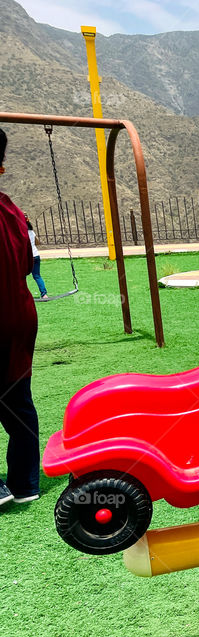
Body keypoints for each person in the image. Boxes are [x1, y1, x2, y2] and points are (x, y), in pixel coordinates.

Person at [0, 128, 41, 507]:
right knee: (16, 398)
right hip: (18, 314)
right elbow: (28, 263)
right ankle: (26, 484)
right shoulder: (12, 210)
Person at [26, 218, 49, 300]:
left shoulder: (20, 233)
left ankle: (23, 295)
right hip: (36, 255)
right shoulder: (32, 232)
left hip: (27, 257)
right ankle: (44, 294)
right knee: (37, 276)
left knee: (21, 276)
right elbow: (37, 243)